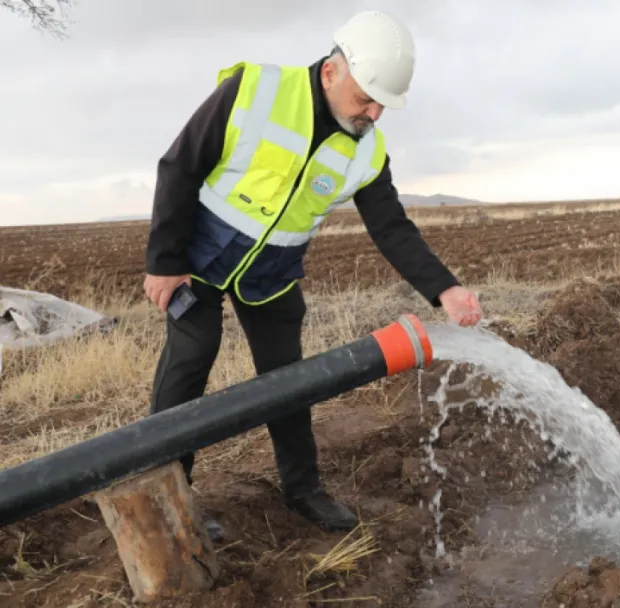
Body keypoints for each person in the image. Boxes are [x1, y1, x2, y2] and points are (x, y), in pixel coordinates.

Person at [141, 10, 482, 539]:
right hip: (198, 262)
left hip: (272, 274)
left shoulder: (366, 149)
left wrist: (446, 288)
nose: (372, 113)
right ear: (331, 73)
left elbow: (391, 227)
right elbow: (179, 166)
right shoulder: (254, 91)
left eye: (382, 105)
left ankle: (302, 488)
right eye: (365, 98)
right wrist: (165, 263)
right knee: (190, 360)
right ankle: (170, 499)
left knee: (289, 381)